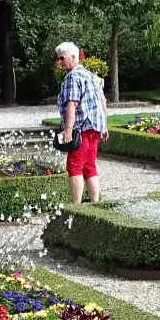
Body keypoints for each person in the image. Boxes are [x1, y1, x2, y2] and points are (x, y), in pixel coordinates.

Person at [54, 41, 109, 203]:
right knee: (89, 167)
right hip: (95, 128)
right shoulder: (90, 75)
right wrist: (104, 126)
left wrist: (68, 130)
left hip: (82, 128)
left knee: (74, 166)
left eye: (62, 58)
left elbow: (72, 103)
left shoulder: (73, 77)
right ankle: (94, 205)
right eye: (58, 58)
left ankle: (76, 208)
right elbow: (103, 102)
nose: (60, 62)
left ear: (73, 57)